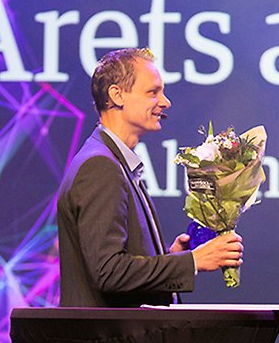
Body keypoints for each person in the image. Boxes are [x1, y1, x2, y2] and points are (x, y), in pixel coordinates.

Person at [57, 47, 243, 307]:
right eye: (152, 92)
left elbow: (112, 265)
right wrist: (192, 262)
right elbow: (108, 272)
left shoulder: (113, 161)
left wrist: (170, 256)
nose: (165, 102)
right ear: (117, 95)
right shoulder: (100, 167)